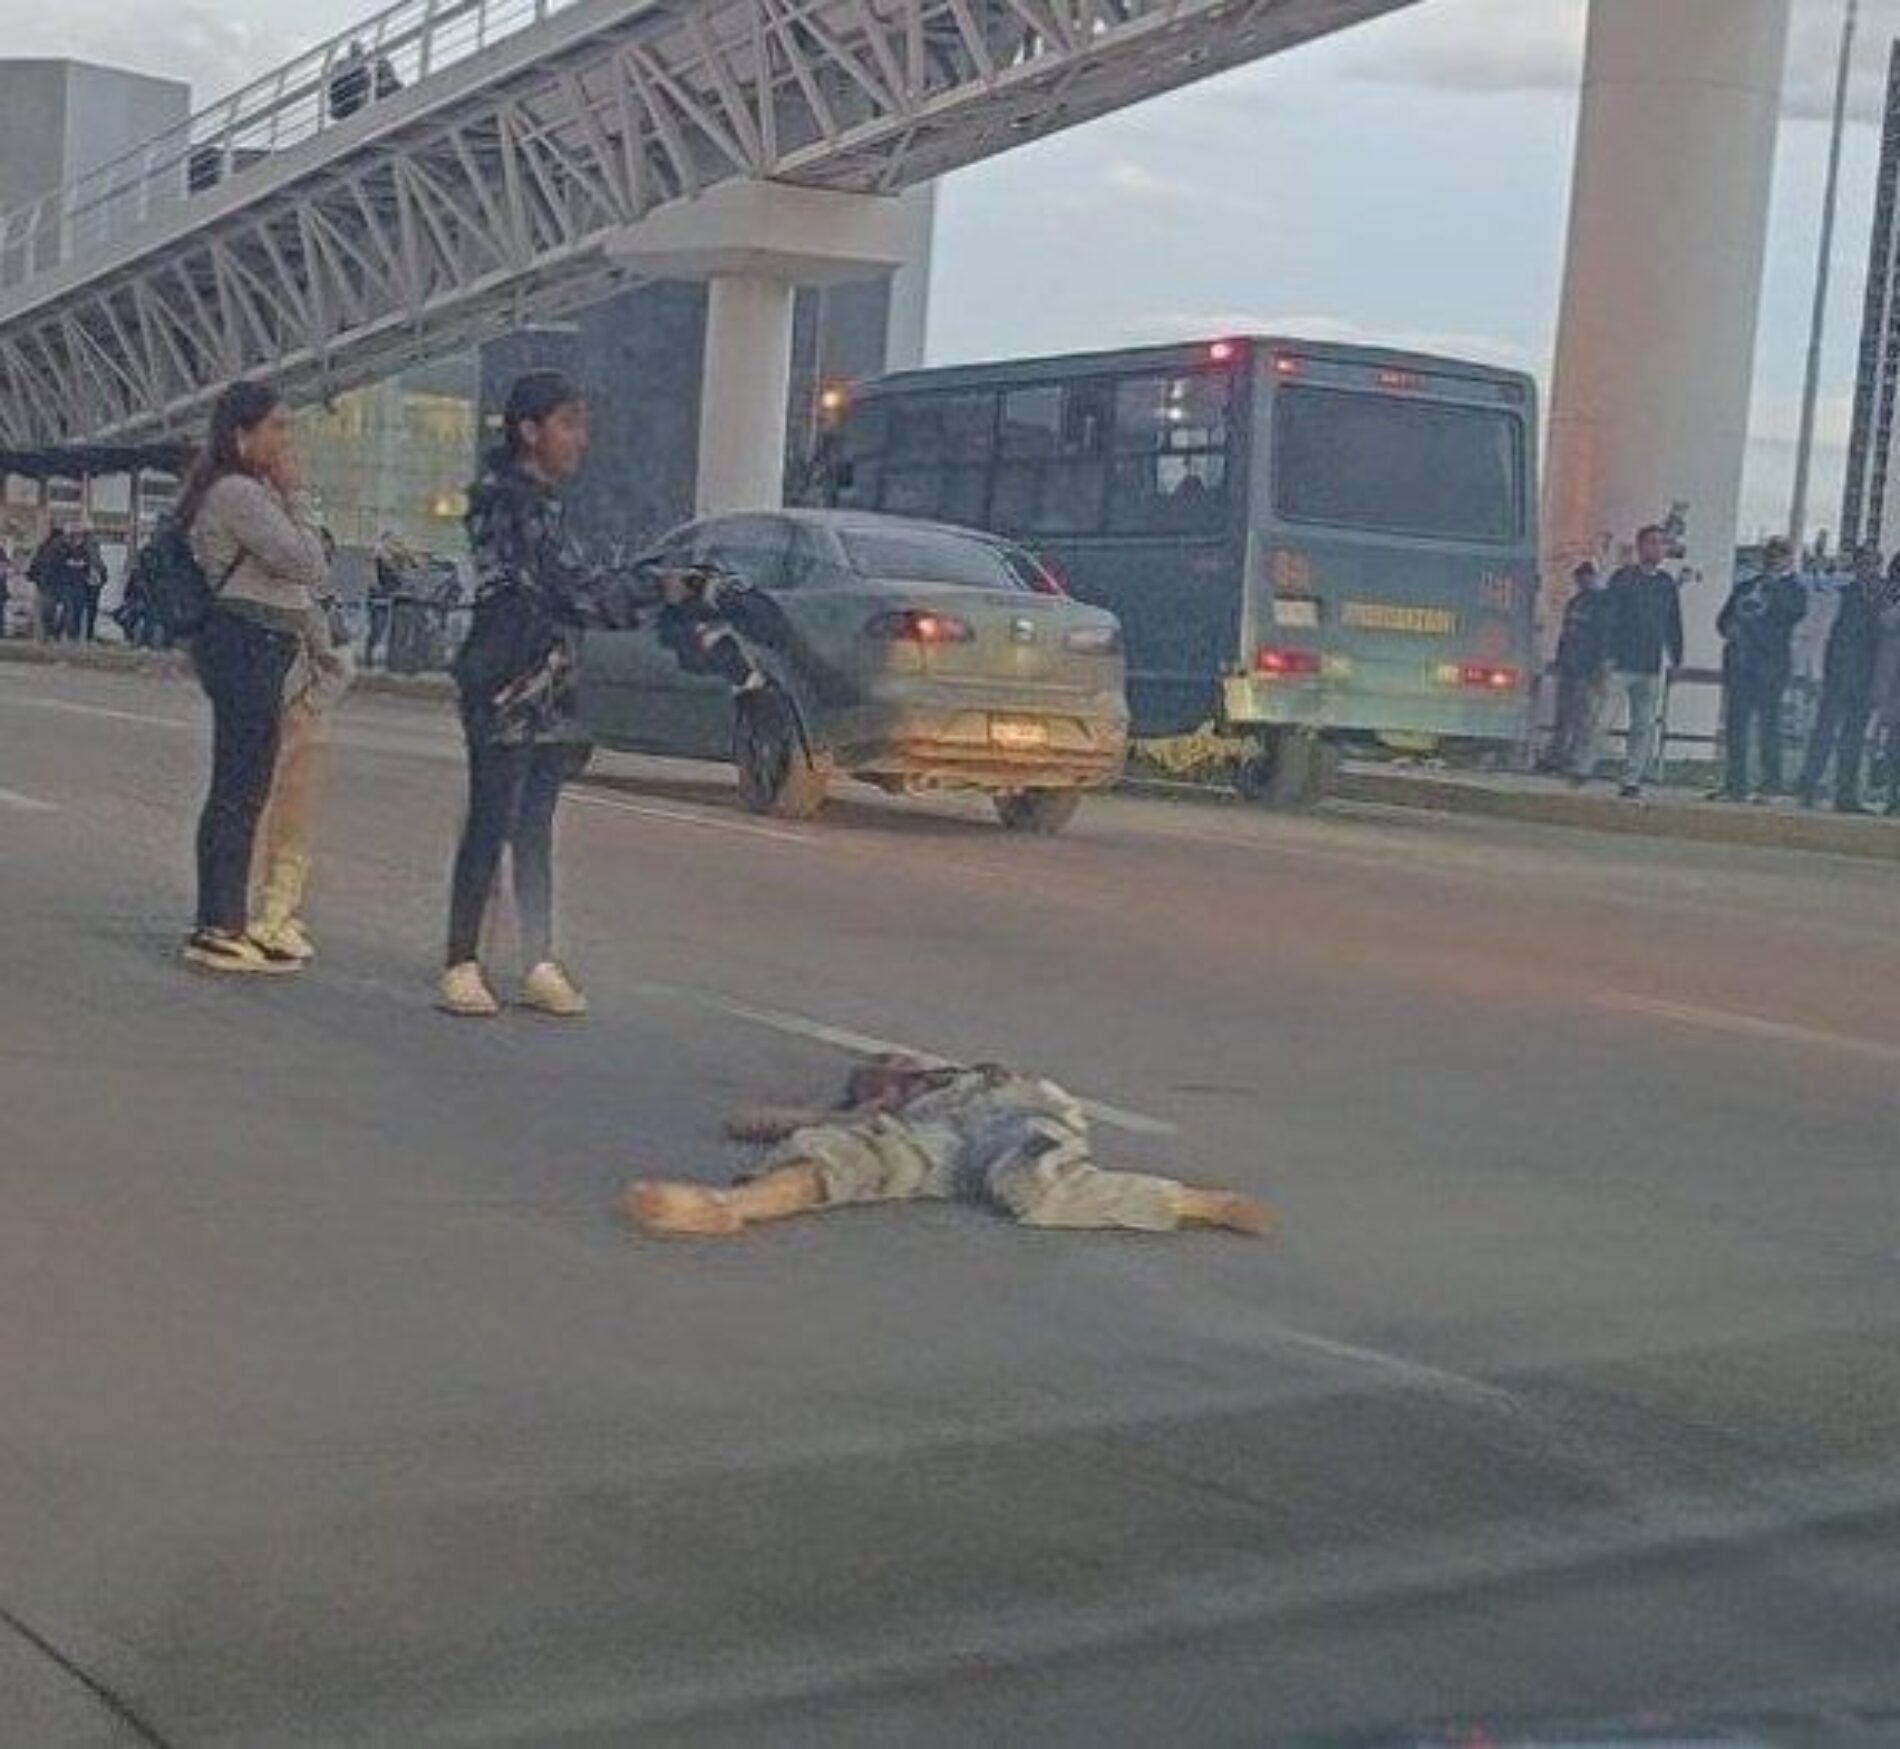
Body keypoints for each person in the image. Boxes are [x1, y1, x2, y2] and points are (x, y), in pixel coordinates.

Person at [439, 372, 646, 1019]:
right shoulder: (504, 502)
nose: (580, 439)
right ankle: (461, 961)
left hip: (551, 687)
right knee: (491, 820)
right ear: (529, 430)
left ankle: (537, 959)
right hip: (505, 683)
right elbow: (563, 586)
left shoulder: (548, 504)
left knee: (533, 828)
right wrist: (647, 595)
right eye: (568, 423)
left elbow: (578, 587)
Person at [626, 1054, 1276, 1240]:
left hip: (1007, 1115)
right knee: (841, 1158)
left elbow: (1019, 1100)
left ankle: (1197, 1203)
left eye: (890, 1064)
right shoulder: (882, 1113)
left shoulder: (975, 1078)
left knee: (1033, 1186)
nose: (888, 1068)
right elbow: (744, 1121)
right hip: (936, 1141)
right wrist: (845, 1113)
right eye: (876, 1072)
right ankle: (728, 1207)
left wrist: (905, 1086)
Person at [178, 381, 334, 975]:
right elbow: (308, 562)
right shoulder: (238, 493)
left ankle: (225, 920)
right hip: (246, 644)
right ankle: (217, 925)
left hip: (256, 645)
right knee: (239, 788)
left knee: (244, 785)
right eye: (277, 428)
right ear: (242, 435)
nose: (286, 441)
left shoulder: (241, 490)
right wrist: (296, 496)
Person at [249, 532, 354, 963]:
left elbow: (339, 663)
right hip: (288, 712)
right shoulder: (305, 596)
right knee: (280, 817)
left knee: (278, 816)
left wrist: (306, 705)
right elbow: (340, 662)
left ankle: (273, 909)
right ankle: (271, 910)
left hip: (287, 714)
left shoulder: (302, 597)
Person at [1570, 525, 1684, 800]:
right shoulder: (1624, 578)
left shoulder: (1666, 584)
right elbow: (1608, 619)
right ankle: (1583, 767)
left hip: (1650, 665)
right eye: (1652, 542)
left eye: (1662, 543)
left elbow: (1673, 623)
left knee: (1643, 725)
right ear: (1640, 546)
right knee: (1601, 719)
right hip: (1620, 662)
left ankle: (1632, 779)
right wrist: (1606, 656)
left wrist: (1677, 657)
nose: (1657, 548)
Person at [1715, 535, 1808, 802]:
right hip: (1741, 662)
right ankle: (1736, 785)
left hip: (1771, 665)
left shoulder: (1795, 589)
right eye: (1770, 553)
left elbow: (1791, 614)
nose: (1773, 558)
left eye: (1780, 554)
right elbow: (1722, 620)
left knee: (1769, 725)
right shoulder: (1745, 586)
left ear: (1789, 558)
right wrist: (1730, 628)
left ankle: (1771, 785)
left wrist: (1770, 588)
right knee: (1736, 725)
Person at [1794, 545, 1884, 814]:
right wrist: (1819, 673)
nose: (1869, 569)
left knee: (1854, 738)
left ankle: (1846, 793)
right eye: (1864, 564)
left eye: (1873, 564)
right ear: (1856, 566)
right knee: (1825, 731)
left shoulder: (1884, 597)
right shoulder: (1840, 594)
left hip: (1866, 679)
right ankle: (1808, 785)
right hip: (1838, 676)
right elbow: (1824, 634)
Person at [1541, 560, 1610, 775]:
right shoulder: (1574, 603)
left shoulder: (1602, 603)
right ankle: (1557, 755)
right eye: (1579, 578)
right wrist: (1559, 659)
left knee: (1582, 716)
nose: (1582, 581)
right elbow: (1565, 634)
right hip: (1569, 666)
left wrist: (1600, 667)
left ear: (1593, 577)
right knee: (1563, 714)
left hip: (1587, 668)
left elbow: (1604, 638)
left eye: (1586, 577)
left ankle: (1577, 758)